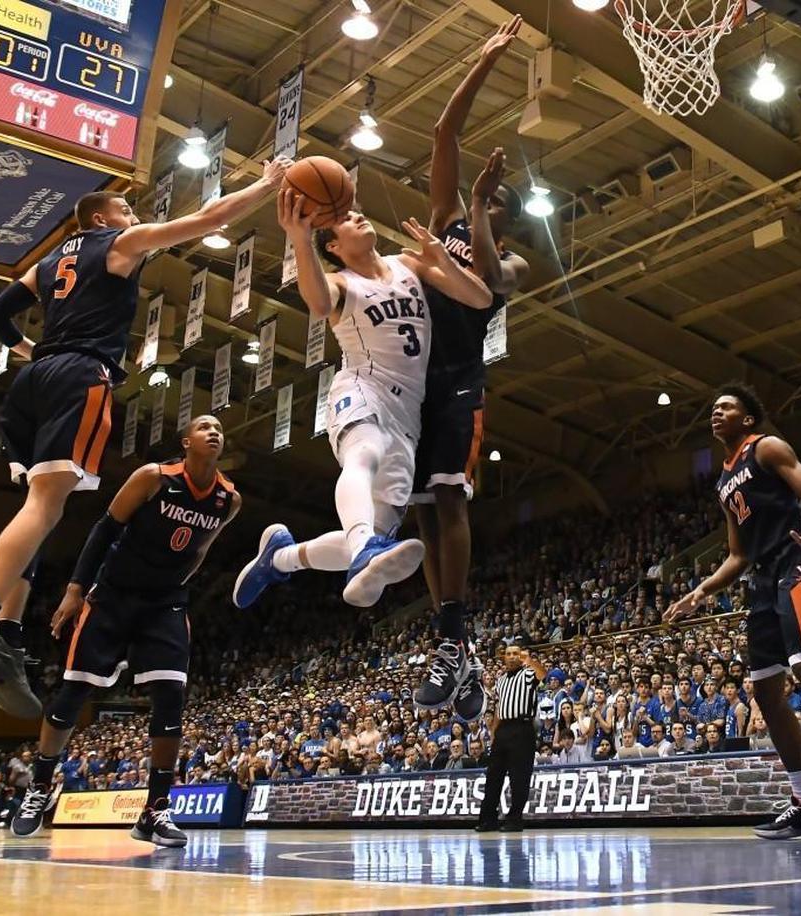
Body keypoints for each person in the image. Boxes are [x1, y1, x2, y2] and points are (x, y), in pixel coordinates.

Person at [0, 157, 290, 719]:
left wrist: (32, 352)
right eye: (125, 209)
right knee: (45, 506)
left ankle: (7, 634)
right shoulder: (118, 243)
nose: (134, 214)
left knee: (39, 510)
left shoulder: (50, 262)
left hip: (32, 383)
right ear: (99, 218)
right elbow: (210, 217)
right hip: (79, 377)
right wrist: (267, 185)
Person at [232, 196, 492, 611]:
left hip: (409, 414)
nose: (357, 213)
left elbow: (480, 299)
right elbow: (317, 303)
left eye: (357, 210)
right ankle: (363, 552)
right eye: (346, 220)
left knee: (378, 530)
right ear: (333, 247)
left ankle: (280, 558)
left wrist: (442, 257)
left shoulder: (409, 263)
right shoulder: (340, 283)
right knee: (363, 458)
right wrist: (299, 238)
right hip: (362, 388)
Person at [11, 416, 241, 848]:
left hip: (166, 602)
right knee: (74, 691)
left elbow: (200, 551)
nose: (214, 432)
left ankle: (154, 811)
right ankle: (40, 785)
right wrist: (76, 589)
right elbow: (105, 529)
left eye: (219, 429)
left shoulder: (228, 499)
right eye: (205, 427)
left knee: (171, 697)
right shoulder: (153, 477)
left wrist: (173, 586)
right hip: (113, 595)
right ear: (186, 441)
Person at [666, 382, 801, 840]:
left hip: (797, 558)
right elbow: (737, 555)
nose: (716, 412)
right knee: (764, 690)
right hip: (762, 577)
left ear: (747, 418)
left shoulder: (767, 447)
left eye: (726, 407)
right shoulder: (724, 481)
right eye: (712, 408)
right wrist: (699, 592)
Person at [412, 15, 531, 720]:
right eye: (482, 198)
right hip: (416, 381)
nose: (483, 202)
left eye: (496, 202)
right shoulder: (441, 215)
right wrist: (483, 59)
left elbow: (486, 279)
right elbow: (443, 136)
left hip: (460, 381)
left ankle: (453, 643)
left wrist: (483, 208)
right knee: (424, 517)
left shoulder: (512, 258)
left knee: (450, 502)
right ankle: (459, 649)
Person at [476, 644, 545, 833]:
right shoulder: (501, 680)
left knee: (519, 777)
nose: (513, 657)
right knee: (493, 775)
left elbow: (542, 674)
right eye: (509, 654)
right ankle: (487, 819)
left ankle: (514, 819)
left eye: (516, 653)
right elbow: (500, 706)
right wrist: (494, 730)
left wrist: (528, 659)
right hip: (503, 729)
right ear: (504, 657)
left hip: (522, 728)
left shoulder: (528, 673)